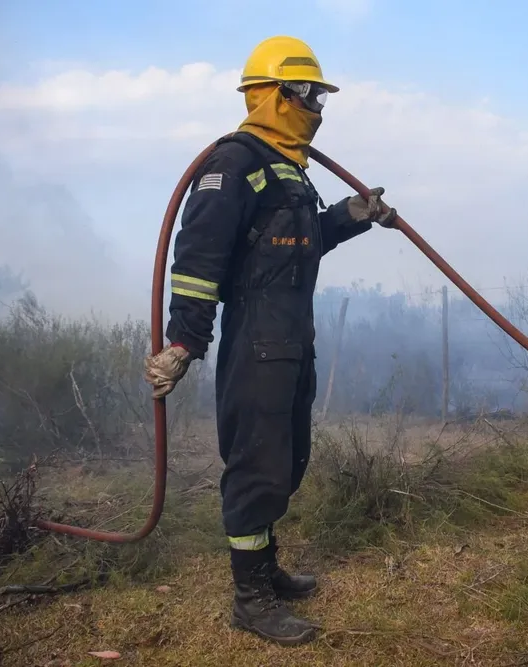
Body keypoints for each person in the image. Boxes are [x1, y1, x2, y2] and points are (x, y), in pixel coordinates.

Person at [143, 35, 396, 646]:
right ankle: (249, 598)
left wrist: (353, 216)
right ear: (272, 95)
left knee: (287, 457)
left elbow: (301, 242)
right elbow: (199, 258)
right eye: (308, 93)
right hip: (255, 338)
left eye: (320, 95)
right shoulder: (234, 162)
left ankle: (267, 565)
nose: (317, 106)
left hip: (292, 337)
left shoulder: (289, 167)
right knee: (257, 464)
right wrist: (183, 342)